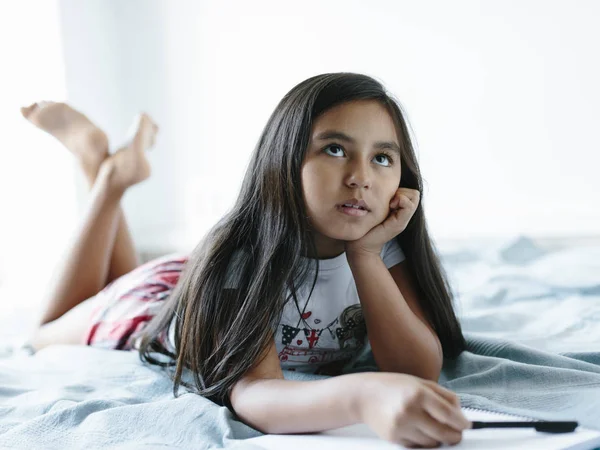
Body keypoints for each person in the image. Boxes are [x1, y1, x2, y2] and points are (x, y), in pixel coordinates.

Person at [22, 73, 472, 448]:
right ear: (283, 159)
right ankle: (107, 179)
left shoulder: (385, 245)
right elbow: (253, 391)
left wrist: (366, 255)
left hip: (199, 282)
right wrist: (362, 396)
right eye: (335, 149)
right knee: (47, 332)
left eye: (382, 157)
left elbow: (417, 369)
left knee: (112, 278)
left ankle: (111, 167)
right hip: (163, 305)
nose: (360, 178)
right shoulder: (241, 258)